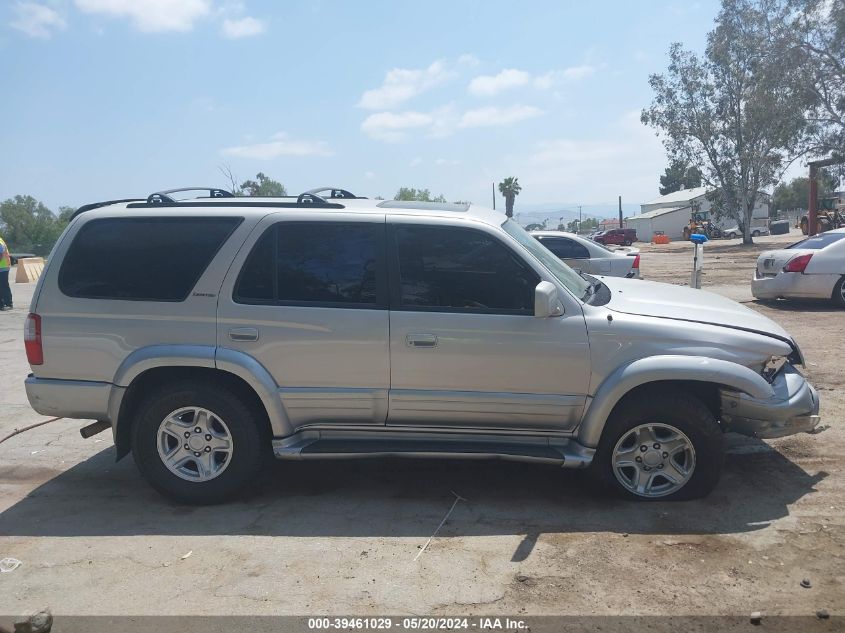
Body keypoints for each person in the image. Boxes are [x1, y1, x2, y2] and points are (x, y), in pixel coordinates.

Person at [0, 235, 12, 311]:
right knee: (3, 286)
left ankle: (8, 303)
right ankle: (3, 303)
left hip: (3, 267)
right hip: (3, 267)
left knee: (3, 286)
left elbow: (0, 255)